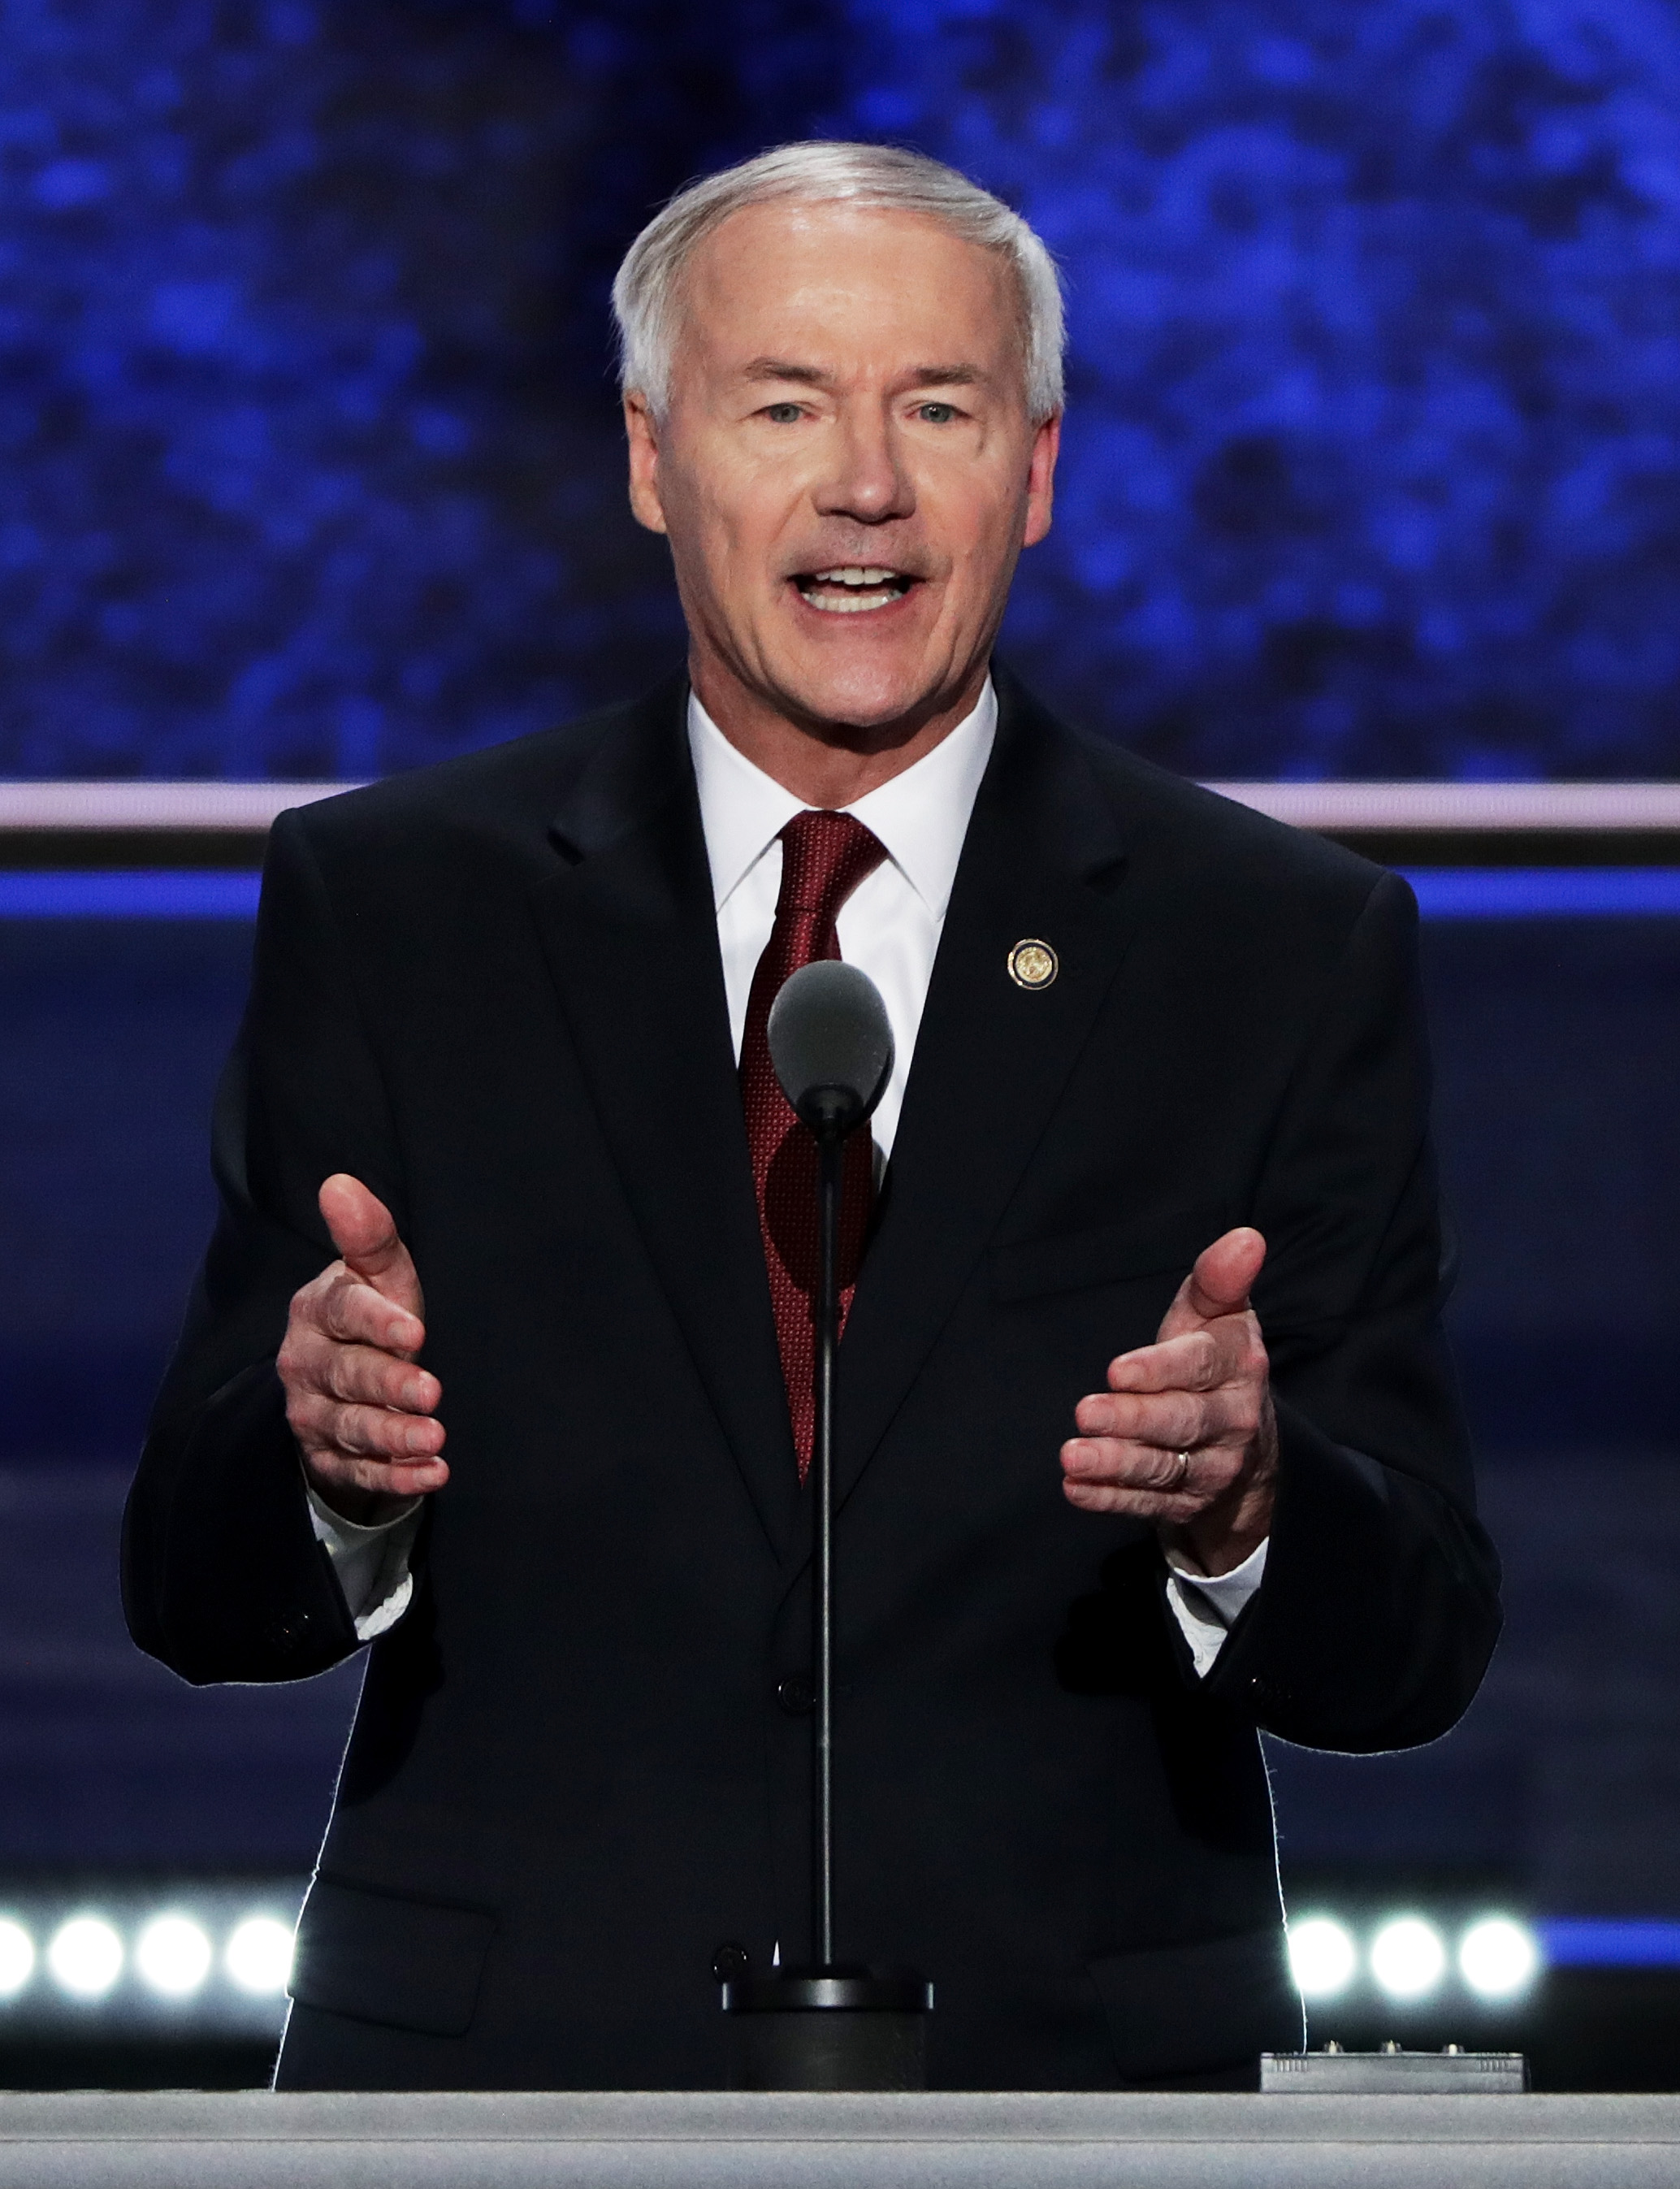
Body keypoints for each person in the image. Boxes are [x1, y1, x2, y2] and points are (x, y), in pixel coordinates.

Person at [123, 142, 1500, 2091]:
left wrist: (1249, 1502)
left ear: (1029, 472)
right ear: (647, 457)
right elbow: (195, 1594)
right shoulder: (398, 905)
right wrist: (330, 1467)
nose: (864, 481)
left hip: (1078, 2091)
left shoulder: (1271, 945)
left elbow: (1415, 1650)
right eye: (782, 405)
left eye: (934, 409)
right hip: (504, 2091)